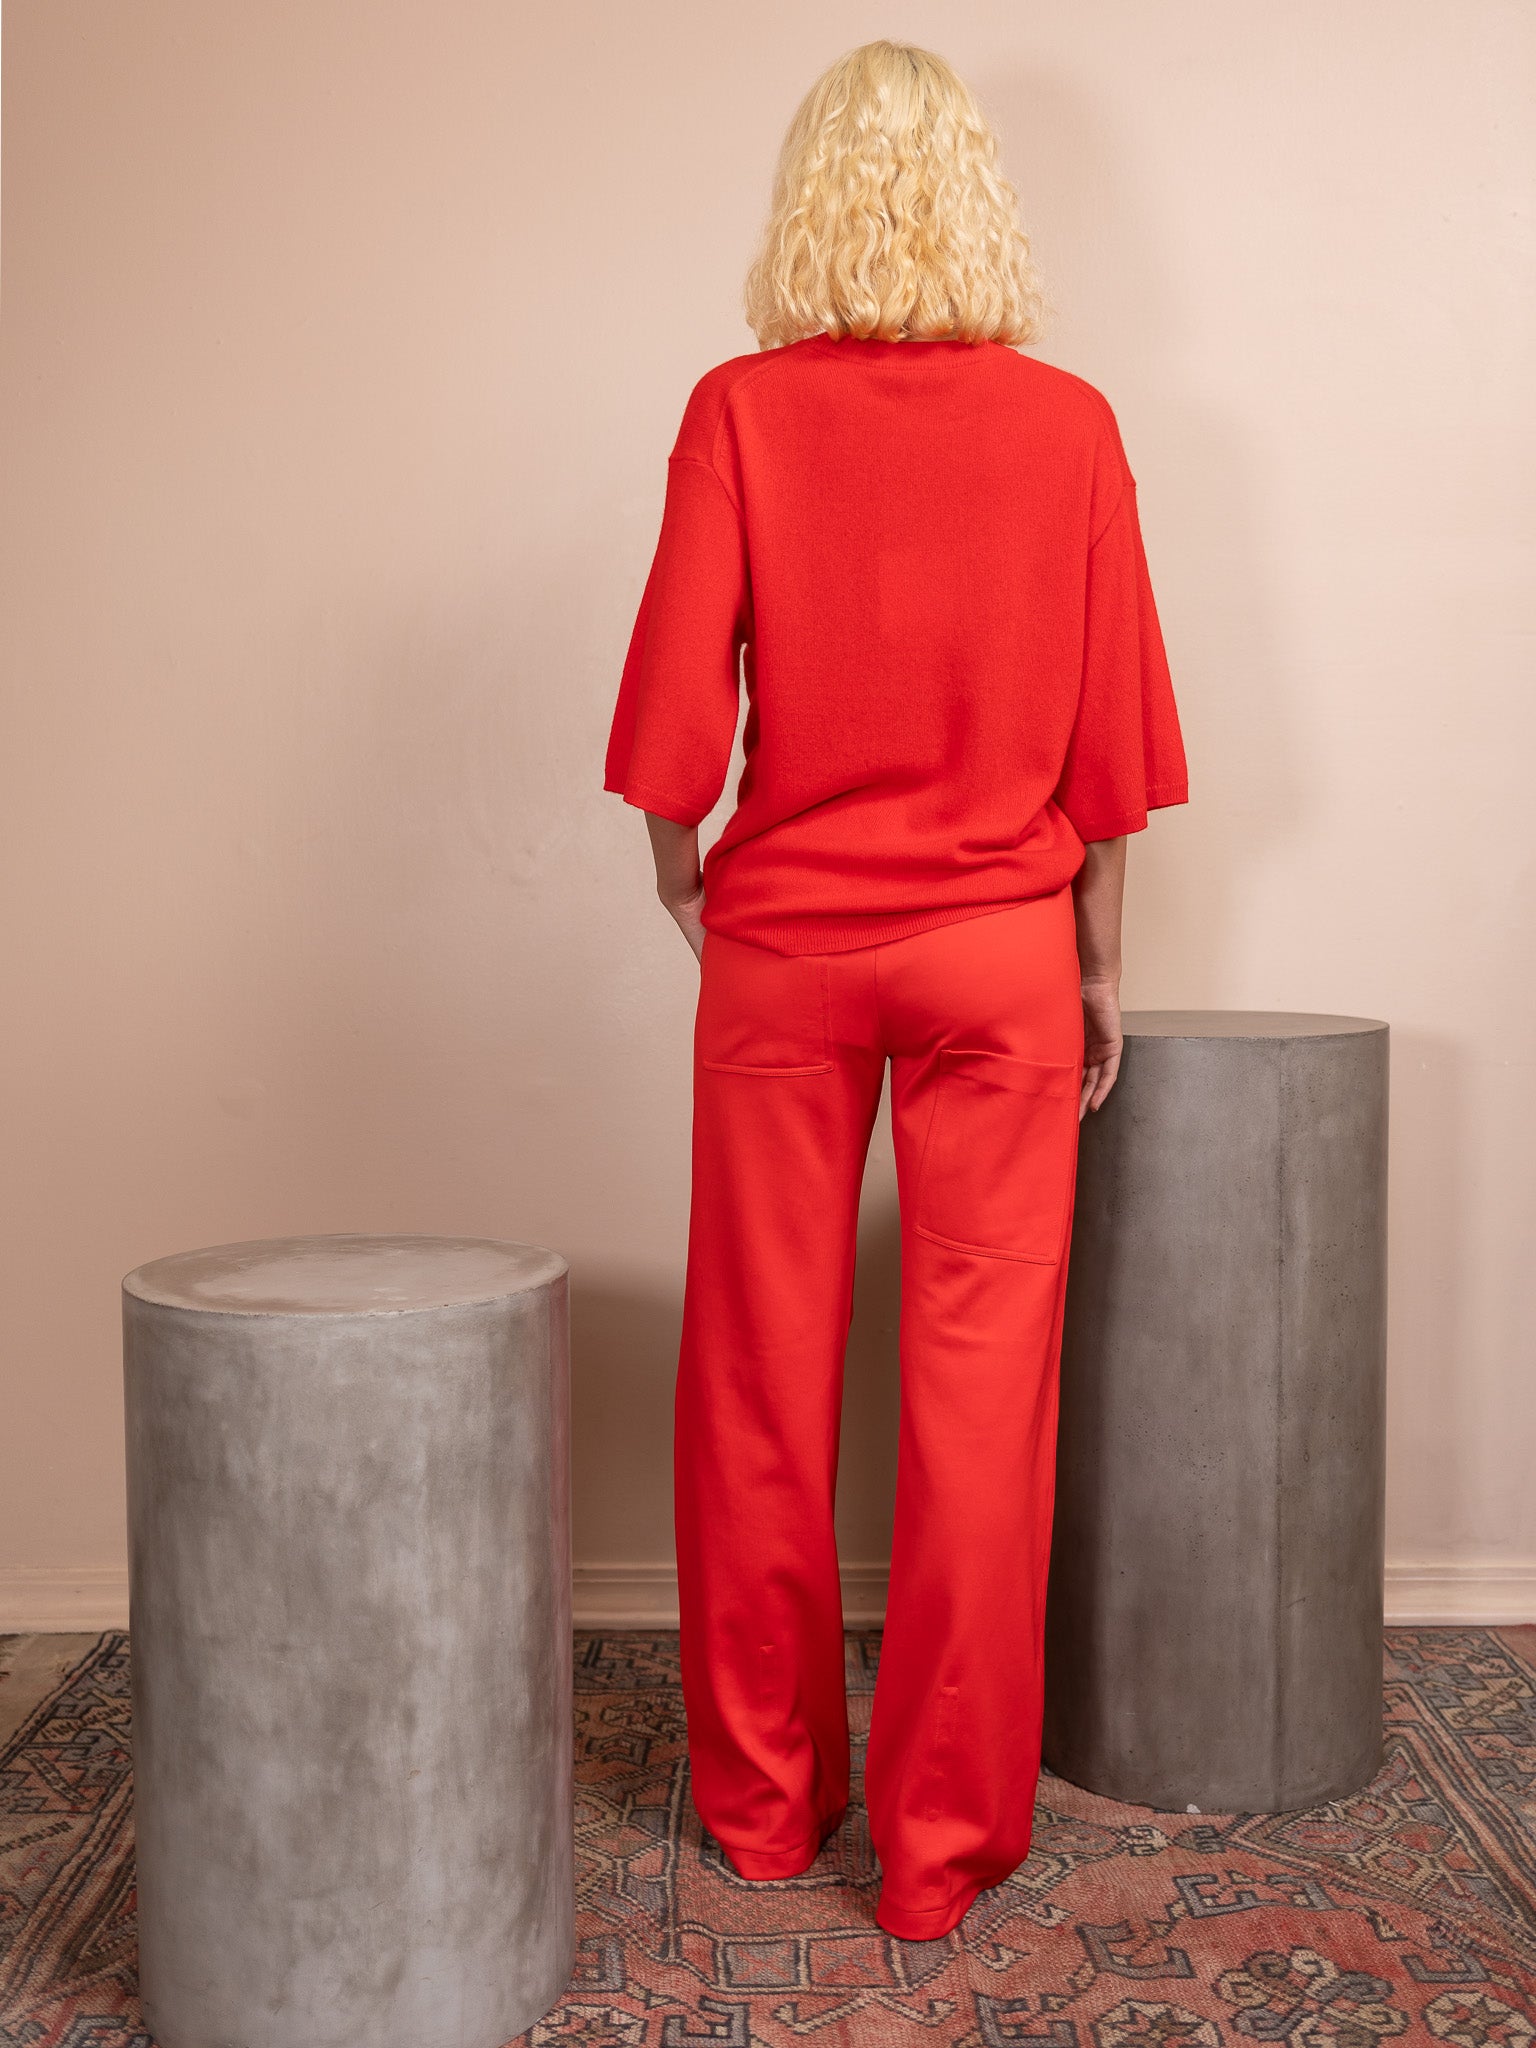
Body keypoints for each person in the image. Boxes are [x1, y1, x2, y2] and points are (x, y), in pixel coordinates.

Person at [602, 38, 1188, 1942]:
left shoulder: (740, 412)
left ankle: (768, 1814)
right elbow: (1114, 749)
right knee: (983, 1399)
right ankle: (939, 1861)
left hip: (786, 953)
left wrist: (691, 887)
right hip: (1002, 956)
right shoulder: (1072, 426)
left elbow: (673, 726)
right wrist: (1097, 968)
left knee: (757, 1382)